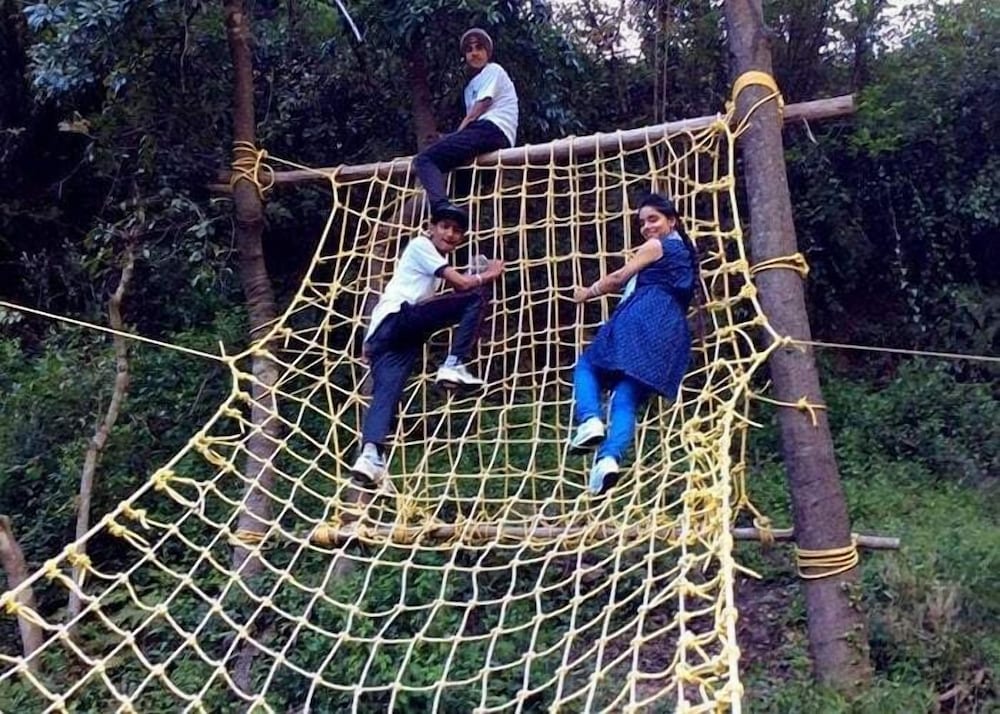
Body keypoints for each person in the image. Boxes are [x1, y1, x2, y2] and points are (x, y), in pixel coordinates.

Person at [351, 204, 505, 485]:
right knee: (474, 298)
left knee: (387, 395)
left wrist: (370, 345)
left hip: (389, 339)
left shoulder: (429, 263)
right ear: (430, 228)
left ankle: (370, 455)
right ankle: (454, 363)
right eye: (445, 227)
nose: (450, 234)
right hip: (398, 321)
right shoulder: (420, 245)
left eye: (457, 231)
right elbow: (460, 284)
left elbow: (435, 298)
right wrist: (488, 274)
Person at [569, 194, 697, 495]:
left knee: (587, 365)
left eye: (653, 219)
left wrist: (586, 293)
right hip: (672, 332)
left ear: (672, 220)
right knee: (625, 399)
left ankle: (589, 420)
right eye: (642, 222)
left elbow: (618, 278)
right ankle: (608, 460)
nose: (646, 227)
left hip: (645, 314)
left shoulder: (657, 246)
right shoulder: (686, 256)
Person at [412, 27, 518, 215]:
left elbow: (478, 111)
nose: (474, 53)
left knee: (425, 159)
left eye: (479, 48)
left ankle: (440, 209)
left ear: (488, 52)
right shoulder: (470, 87)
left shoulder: (493, 70)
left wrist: (454, 136)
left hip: (493, 129)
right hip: (486, 133)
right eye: (469, 50)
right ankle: (458, 225)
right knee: (461, 185)